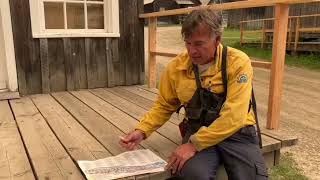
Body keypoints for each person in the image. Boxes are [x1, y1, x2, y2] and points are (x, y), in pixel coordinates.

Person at [120, 8, 268, 180]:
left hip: (237, 132)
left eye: (198, 44)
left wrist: (193, 145)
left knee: (253, 177)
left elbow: (235, 115)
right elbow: (164, 105)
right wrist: (142, 130)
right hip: (198, 129)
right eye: (188, 43)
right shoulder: (176, 67)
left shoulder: (238, 62)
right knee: (191, 174)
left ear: (217, 40)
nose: (192, 51)